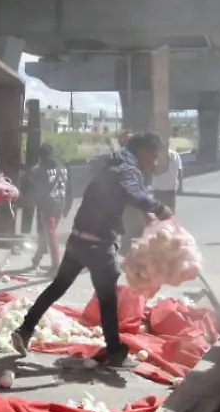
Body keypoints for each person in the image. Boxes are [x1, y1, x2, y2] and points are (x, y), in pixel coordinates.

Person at [10, 131, 173, 369]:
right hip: (99, 245)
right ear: (145, 152)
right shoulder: (128, 170)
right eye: (155, 157)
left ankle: (24, 329)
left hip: (78, 240)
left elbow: (119, 194)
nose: (156, 163)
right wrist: (157, 208)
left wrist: (146, 215)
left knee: (57, 287)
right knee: (108, 301)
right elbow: (133, 191)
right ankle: (116, 352)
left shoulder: (114, 164)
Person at [26, 143, 73, 273]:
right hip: (61, 203)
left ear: (42, 155)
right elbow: (69, 187)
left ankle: (56, 266)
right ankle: (37, 258)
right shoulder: (63, 164)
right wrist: (68, 206)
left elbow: (32, 177)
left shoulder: (42, 167)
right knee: (46, 234)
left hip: (48, 205)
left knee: (50, 236)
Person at [151, 146, 184, 213]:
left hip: (170, 190)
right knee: (159, 214)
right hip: (158, 190)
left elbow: (180, 170)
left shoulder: (175, 155)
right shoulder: (155, 155)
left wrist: (180, 186)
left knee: (170, 213)